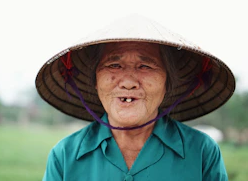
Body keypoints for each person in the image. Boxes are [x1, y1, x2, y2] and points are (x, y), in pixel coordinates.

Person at [36, 15, 235, 181]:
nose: (129, 82)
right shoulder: (64, 156)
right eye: (114, 65)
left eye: (145, 66)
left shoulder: (201, 152)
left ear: (167, 83)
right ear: (95, 81)